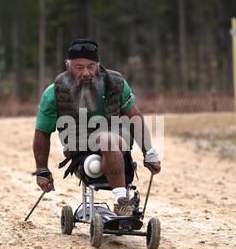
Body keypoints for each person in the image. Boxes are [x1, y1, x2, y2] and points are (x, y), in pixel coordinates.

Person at [32, 38, 161, 216]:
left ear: (98, 65)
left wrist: (149, 153)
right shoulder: (54, 93)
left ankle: (121, 202)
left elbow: (135, 118)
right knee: (94, 166)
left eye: (91, 66)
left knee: (107, 139)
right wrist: (42, 171)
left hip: (116, 143)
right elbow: (42, 133)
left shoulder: (116, 84)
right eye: (79, 67)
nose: (86, 72)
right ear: (68, 65)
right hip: (81, 150)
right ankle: (122, 198)